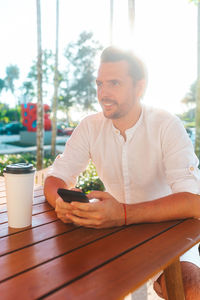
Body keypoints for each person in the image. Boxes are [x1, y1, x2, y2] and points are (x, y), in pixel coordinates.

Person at [44, 46, 200, 299]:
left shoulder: (167, 125)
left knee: (193, 289)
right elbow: (55, 178)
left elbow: (194, 203)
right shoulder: (90, 127)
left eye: (114, 83)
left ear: (140, 87)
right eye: (99, 84)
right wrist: (60, 202)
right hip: (110, 237)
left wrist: (124, 214)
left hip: (169, 234)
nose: (103, 93)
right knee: (58, 284)